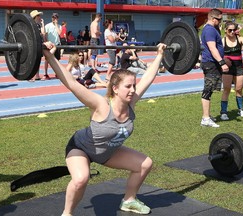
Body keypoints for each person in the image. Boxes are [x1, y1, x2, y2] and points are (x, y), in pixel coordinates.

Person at [43, 42, 166, 216]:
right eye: (128, 86)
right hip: (82, 148)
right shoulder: (101, 104)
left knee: (145, 164)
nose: (132, 90)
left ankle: (129, 200)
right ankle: (67, 213)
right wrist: (49, 56)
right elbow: (71, 83)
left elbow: (147, 78)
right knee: (80, 179)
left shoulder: (131, 102)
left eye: (134, 86)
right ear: (115, 88)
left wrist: (160, 54)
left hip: (107, 152)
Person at [200, 8, 229, 128]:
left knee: (210, 90)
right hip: (211, 64)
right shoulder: (210, 30)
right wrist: (222, 62)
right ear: (213, 18)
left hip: (212, 63)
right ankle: (205, 118)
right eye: (219, 19)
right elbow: (212, 48)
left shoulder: (212, 29)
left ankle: (207, 115)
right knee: (207, 90)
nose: (220, 21)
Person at [219, 21, 243, 120]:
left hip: (239, 67)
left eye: (233, 30)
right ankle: (223, 112)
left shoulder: (240, 39)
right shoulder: (223, 41)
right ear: (225, 30)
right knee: (226, 89)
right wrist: (224, 60)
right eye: (230, 30)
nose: (232, 32)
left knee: (239, 89)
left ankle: (240, 109)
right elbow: (217, 54)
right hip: (228, 68)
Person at [43, 12, 62, 80]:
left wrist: (56, 24)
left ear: (57, 18)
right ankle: (45, 74)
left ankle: (57, 73)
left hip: (57, 45)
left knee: (57, 60)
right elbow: (44, 34)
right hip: (50, 45)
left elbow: (59, 33)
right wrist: (46, 42)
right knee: (47, 60)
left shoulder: (59, 26)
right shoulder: (48, 25)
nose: (54, 19)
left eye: (56, 17)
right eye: (53, 17)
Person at [30, 10, 46, 81]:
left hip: (39, 45)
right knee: (32, 61)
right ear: (35, 17)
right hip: (33, 45)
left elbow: (43, 34)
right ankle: (30, 76)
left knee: (38, 60)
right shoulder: (31, 25)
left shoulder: (39, 25)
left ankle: (37, 76)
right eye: (39, 15)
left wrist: (42, 24)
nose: (40, 17)